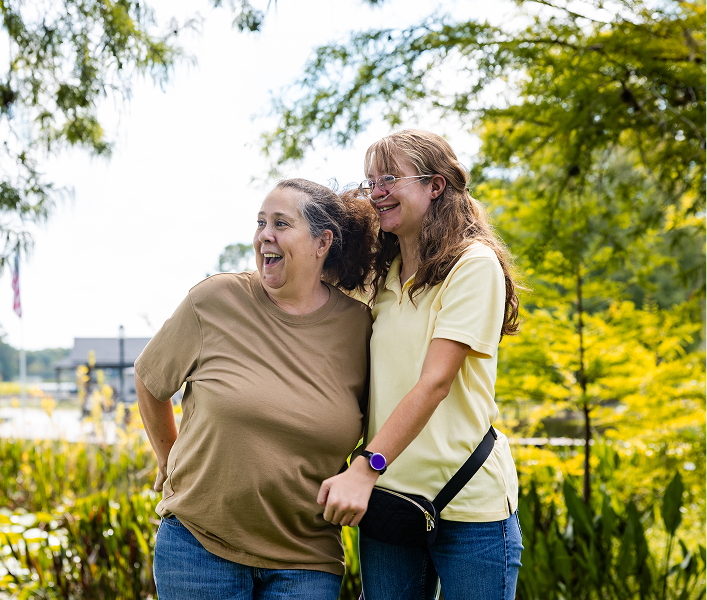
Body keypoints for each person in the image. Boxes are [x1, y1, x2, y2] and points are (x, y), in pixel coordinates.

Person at [134, 178, 378, 600]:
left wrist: (365, 469)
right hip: (199, 548)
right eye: (261, 222)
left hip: (306, 561)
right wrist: (168, 457)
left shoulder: (359, 327)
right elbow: (150, 380)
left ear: (323, 242)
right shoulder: (216, 299)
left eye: (281, 224)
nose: (265, 234)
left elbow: (380, 426)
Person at [317, 130, 524, 600]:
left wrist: (365, 467)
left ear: (435, 186)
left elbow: (435, 382)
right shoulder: (381, 279)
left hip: (469, 510)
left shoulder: (473, 265)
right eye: (371, 181)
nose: (377, 192)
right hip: (391, 506)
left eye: (390, 178)